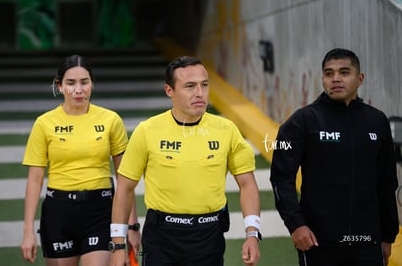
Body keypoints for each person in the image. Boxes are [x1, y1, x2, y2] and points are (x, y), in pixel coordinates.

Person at [109, 56, 261, 266]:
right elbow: (124, 188)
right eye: (190, 86)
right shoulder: (147, 131)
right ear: (169, 91)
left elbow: (247, 183)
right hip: (161, 238)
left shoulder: (227, 130)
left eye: (204, 85)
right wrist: (117, 245)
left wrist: (252, 233)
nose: (199, 93)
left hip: (209, 236)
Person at [270, 48, 399, 266]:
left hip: (366, 241)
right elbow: (281, 179)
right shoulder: (302, 121)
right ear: (322, 79)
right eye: (329, 73)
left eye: (344, 72)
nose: (336, 79)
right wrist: (296, 225)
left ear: (359, 79)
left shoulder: (377, 121)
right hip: (318, 241)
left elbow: (387, 182)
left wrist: (388, 235)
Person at [20, 55, 140, 265]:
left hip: (101, 211)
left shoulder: (111, 120)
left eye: (84, 82)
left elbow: (125, 178)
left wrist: (131, 226)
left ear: (92, 84)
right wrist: (28, 231)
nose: (78, 89)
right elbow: (35, 178)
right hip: (58, 213)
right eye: (70, 83)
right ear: (59, 86)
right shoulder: (44, 123)